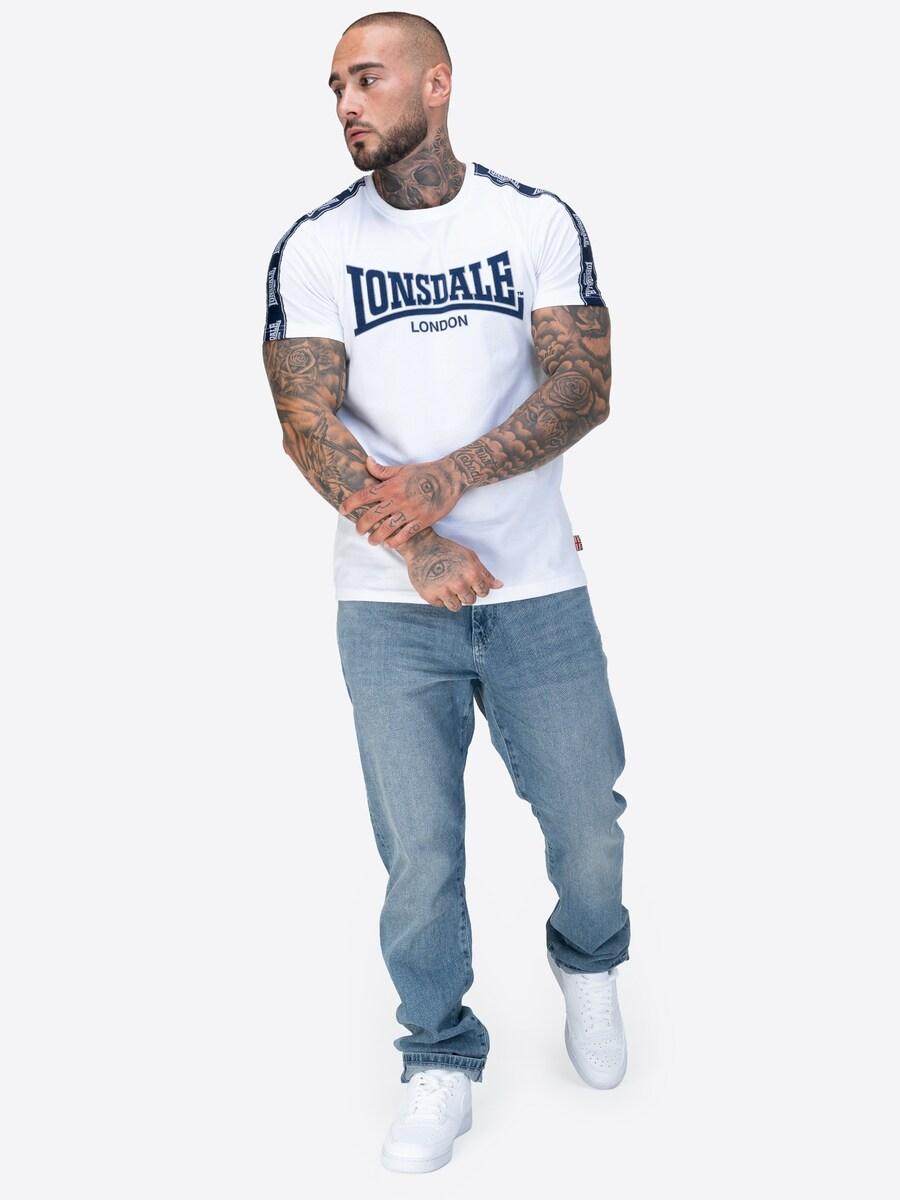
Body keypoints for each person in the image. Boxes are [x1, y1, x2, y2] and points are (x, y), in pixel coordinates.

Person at [261, 11, 630, 1174]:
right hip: (387, 606)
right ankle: (437, 1052)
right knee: (419, 851)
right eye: (335, 86)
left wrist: (449, 480)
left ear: (438, 83)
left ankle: (589, 961)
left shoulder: (532, 220)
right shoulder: (316, 247)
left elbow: (583, 388)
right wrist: (417, 543)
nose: (346, 104)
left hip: (536, 587)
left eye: (367, 79)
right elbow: (307, 423)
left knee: (586, 819)